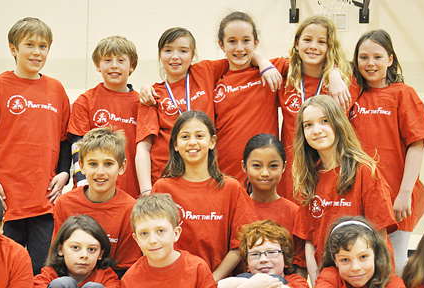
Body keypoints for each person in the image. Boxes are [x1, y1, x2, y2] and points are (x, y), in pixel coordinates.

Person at [0, 17, 71, 275]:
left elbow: (65, 140)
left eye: (43, 46)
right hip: (5, 200)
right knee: (2, 268)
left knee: (41, 269)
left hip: (43, 200)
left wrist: (65, 173)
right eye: (30, 45)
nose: (37, 52)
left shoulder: (56, 89)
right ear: (13, 48)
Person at [135, 26, 281, 194]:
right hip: (166, 173)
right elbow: (143, 148)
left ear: (192, 55)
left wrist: (263, 62)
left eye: (183, 51)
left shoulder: (205, 71)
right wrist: (146, 190)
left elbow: (240, 56)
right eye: (168, 50)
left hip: (205, 172)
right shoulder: (152, 95)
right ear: (160, 55)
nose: (175, 57)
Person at [350, 29, 424, 276]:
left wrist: (405, 193)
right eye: (363, 57)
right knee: (361, 265)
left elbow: (416, 145)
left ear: (390, 59)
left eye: (377, 56)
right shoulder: (352, 95)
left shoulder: (403, 94)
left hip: (396, 195)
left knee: (392, 265)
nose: (370, 63)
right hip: (359, 195)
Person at [292, 95, 397, 283]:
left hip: (365, 276)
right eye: (308, 125)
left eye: (324, 121)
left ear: (338, 124)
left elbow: (379, 234)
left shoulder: (365, 171)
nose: (316, 130)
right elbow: (309, 240)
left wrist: (379, 280)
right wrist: (316, 280)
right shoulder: (308, 178)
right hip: (328, 278)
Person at [151, 110, 258, 281]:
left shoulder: (231, 188)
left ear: (212, 141)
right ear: (176, 145)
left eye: (199, 136)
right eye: (185, 137)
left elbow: (240, 245)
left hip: (218, 283)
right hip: (173, 281)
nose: (192, 142)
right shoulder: (163, 188)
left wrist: (212, 279)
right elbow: (153, 240)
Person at [278, 15, 357, 202]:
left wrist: (335, 73)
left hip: (330, 168)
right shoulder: (285, 74)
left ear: (330, 47)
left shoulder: (345, 82)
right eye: (307, 40)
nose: (313, 46)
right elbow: (252, 60)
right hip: (293, 167)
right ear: (297, 43)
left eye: (322, 42)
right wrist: (262, 62)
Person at [53, 127, 140, 278]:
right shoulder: (64, 203)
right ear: (81, 166)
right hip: (69, 283)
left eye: (108, 164)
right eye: (93, 164)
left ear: (122, 166)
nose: (100, 172)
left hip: (109, 286)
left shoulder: (131, 209)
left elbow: (124, 268)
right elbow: (58, 259)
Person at [213, 11, 282, 185]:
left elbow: (313, 58)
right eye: (232, 41)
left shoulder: (271, 72)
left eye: (246, 40)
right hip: (225, 171)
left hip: (263, 174)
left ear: (255, 42)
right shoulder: (214, 79)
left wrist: (334, 75)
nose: (239, 48)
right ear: (221, 44)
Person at [68, 36, 140, 198]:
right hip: (92, 190)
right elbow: (78, 144)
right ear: (97, 65)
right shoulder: (85, 101)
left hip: (131, 190)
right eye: (107, 60)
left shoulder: (142, 103)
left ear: (132, 66)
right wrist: (81, 180)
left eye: (121, 60)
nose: (114, 66)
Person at [242, 133, 306, 277]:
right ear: (244, 167)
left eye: (273, 166)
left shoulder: (295, 213)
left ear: (284, 167)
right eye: (257, 166)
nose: (265, 173)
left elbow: (300, 266)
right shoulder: (236, 209)